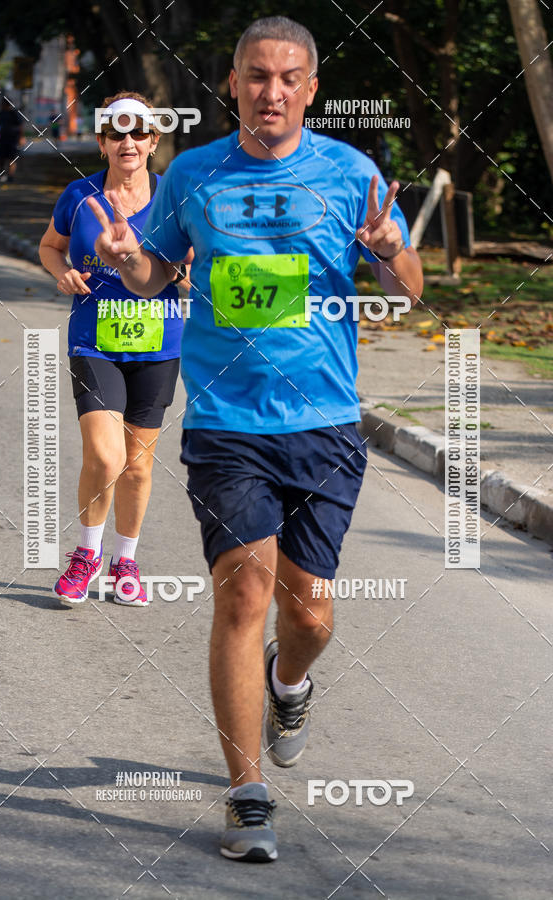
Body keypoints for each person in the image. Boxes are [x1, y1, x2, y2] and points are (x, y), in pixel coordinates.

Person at [88, 18, 423, 861]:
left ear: (311, 88)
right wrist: (126, 260)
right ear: (233, 84)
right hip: (225, 426)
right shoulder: (194, 174)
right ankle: (246, 795)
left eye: (288, 77)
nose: (272, 91)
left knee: (310, 611)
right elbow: (156, 272)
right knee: (243, 593)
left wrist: (390, 253)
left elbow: (407, 292)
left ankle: (290, 678)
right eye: (256, 76)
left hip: (323, 424)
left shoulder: (351, 174)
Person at [39, 91, 188, 608]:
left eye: (138, 132)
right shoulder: (79, 196)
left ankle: (126, 562)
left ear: (153, 141)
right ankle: (87, 555)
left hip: (158, 344)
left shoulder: (174, 198)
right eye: (116, 133)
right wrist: (62, 274)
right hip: (93, 340)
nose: (128, 141)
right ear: (102, 142)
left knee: (139, 466)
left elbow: (193, 268)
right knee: (106, 456)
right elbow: (50, 246)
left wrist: (172, 270)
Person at [0, 98, 23, 183]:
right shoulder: (1, 113)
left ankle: (10, 176)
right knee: (1, 158)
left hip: (13, 139)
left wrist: (21, 138)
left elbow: (20, 126)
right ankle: (1, 174)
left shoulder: (14, 113)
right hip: (2, 139)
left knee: (12, 158)